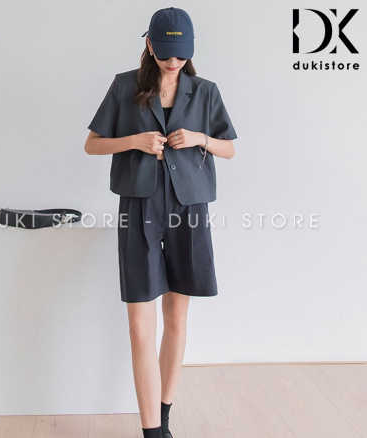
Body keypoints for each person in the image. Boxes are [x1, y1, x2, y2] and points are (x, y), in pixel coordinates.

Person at [84, 7, 237, 438]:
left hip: (189, 210)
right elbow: (92, 144)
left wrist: (200, 138)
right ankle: (152, 431)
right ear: (149, 44)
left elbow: (229, 149)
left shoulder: (205, 91)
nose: (174, 62)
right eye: (166, 53)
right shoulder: (124, 86)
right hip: (139, 207)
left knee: (177, 316)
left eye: (182, 55)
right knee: (139, 326)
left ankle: (164, 417)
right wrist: (133, 141)